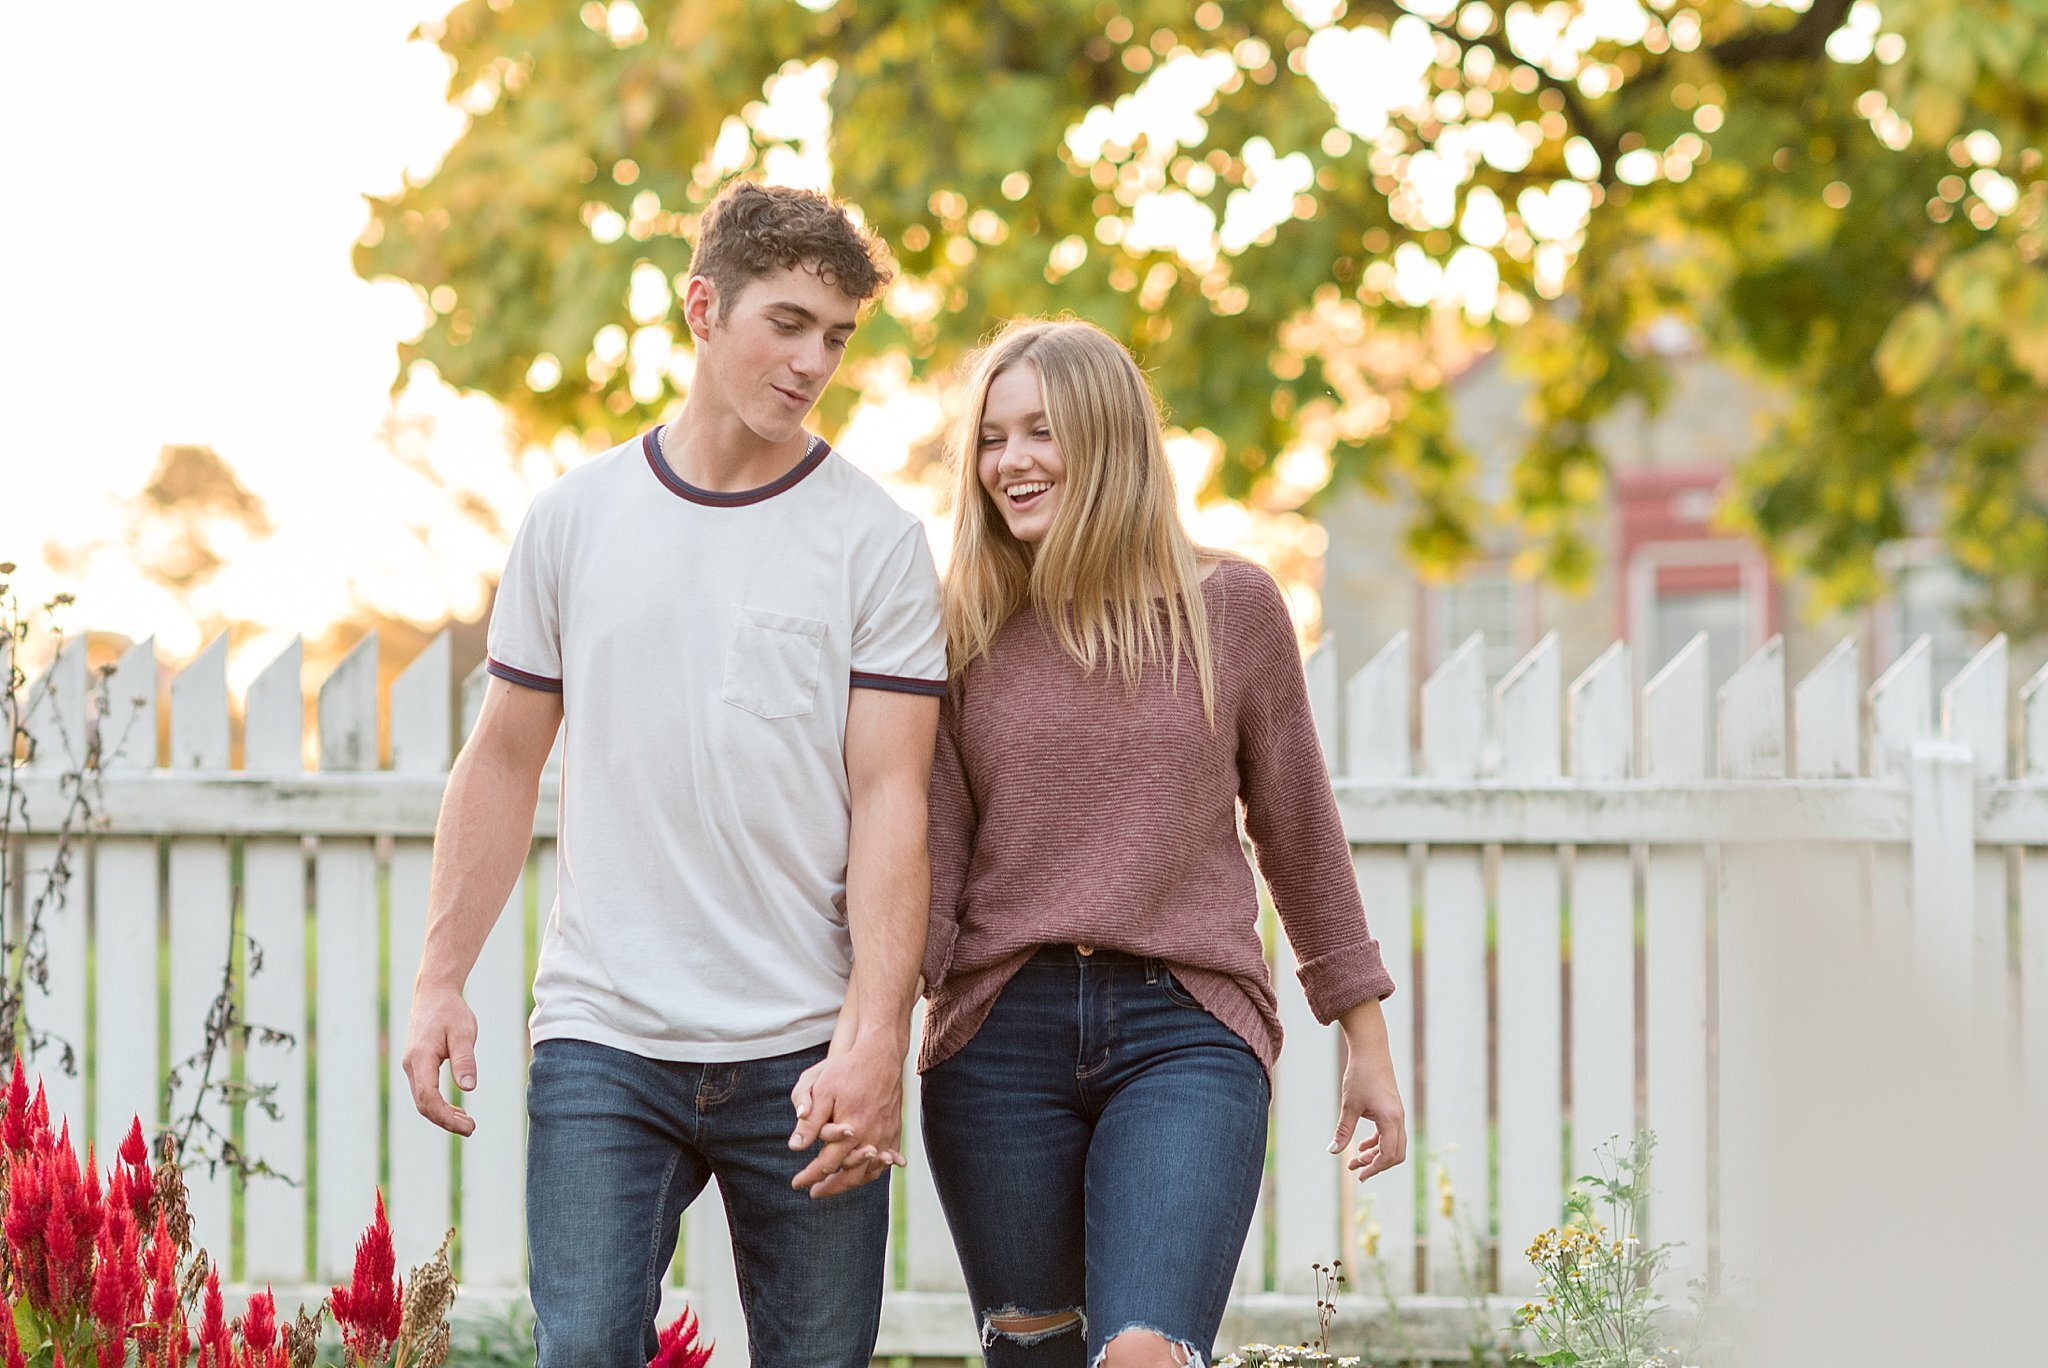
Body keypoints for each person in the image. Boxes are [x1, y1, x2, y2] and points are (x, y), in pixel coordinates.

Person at [400, 179, 946, 1367]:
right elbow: (499, 761)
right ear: (703, 306)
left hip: (805, 1047)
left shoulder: (875, 543)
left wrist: (871, 1037)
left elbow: (893, 803)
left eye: (838, 337)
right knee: (584, 1348)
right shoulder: (574, 519)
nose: (813, 362)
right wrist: (442, 977)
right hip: (607, 1035)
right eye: (787, 323)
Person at [918, 319, 1408, 1367]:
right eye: (992, 440)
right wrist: (861, 1031)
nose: (1011, 463)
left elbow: (1298, 828)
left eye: (1040, 432)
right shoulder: (958, 625)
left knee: (1143, 1351)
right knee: (1034, 1353)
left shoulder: (1226, 608)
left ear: (1107, 439)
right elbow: (931, 863)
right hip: (997, 1038)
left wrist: (1363, 1041)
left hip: (1184, 1030)